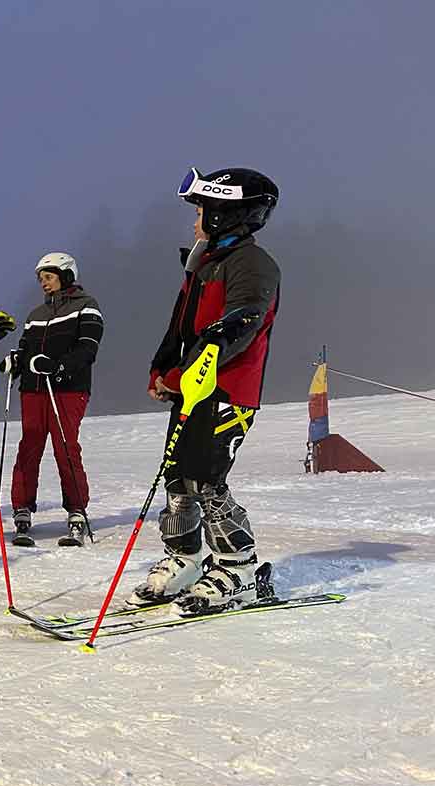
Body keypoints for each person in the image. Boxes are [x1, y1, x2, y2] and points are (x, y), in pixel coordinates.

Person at [134, 166, 280, 612]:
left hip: (229, 390)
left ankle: (240, 569)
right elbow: (181, 326)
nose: (194, 220)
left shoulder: (253, 264)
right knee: (178, 478)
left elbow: (242, 321)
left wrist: (199, 359)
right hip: (192, 388)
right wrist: (164, 368)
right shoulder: (203, 263)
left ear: (224, 215)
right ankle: (187, 558)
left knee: (206, 480)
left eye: (201, 211)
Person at [0, 252, 103, 546]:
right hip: (33, 390)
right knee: (28, 446)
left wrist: (59, 367)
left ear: (66, 275)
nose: (43, 283)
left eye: (49, 276)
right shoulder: (35, 316)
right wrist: (16, 360)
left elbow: (88, 349)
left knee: (65, 447)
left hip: (68, 389)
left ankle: (76, 511)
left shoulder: (87, 307)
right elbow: (25, 347)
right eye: (40, 278)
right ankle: (21, 508)